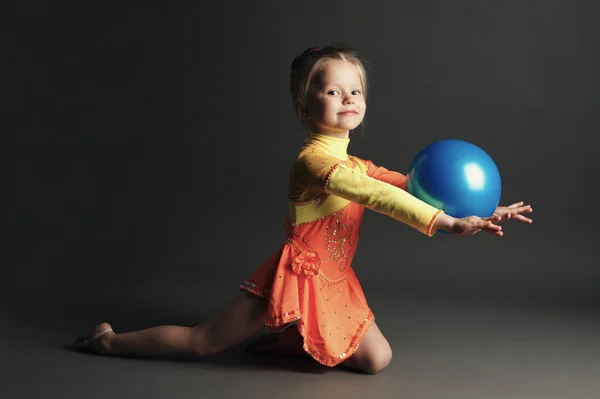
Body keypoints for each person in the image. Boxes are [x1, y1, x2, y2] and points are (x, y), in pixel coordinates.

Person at [75, 45, 533, 374]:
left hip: (335, 277)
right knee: (203, 343)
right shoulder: (314, 161)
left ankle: (289, 339)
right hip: (296, 272)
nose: (348, 98)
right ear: (304, 107)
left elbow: (407, 185)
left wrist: (485, 206)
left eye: (354, 91)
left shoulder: (354, 161)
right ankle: (109, 342)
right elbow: (377, 195)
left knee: (377, 360)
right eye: (332, 92)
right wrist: (447, 222)